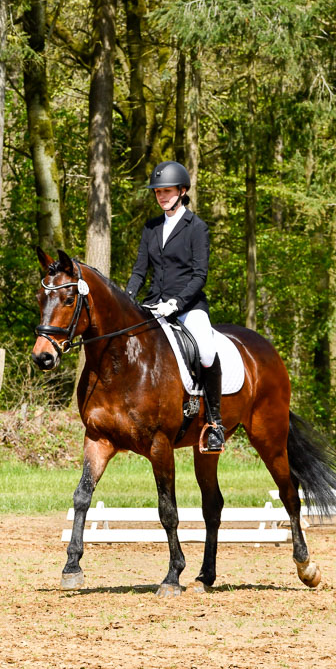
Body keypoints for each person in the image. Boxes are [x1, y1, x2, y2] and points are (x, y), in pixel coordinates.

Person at [125, 160, 225, 454]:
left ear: (182, 191)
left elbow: (199, 275)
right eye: (157, 192)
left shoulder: (197, 228)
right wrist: (129, 295)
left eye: (167, 191)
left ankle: (214, 423)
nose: (161, 196)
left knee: (206, 351)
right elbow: (139, 269)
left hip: (188, 305)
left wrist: (177, 303)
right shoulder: (151, 227)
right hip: (154, 303)